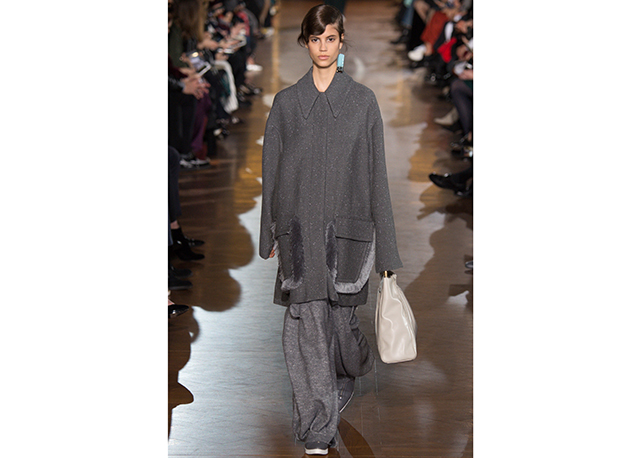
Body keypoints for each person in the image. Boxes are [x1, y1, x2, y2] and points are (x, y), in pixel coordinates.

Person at [259, 5, 402, 456]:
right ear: (305, 42)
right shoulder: (287, 104)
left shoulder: (362, 103)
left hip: (348, 236)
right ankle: (317, 427)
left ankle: (353, 365)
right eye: (316, 39)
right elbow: (271, 171)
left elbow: (377, 177)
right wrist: (269, 233)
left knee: (340, 326)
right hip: (299, 235)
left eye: (331, 38)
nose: (323, 47)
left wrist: (387, 254)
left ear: (341, 42)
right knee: (305, 327)